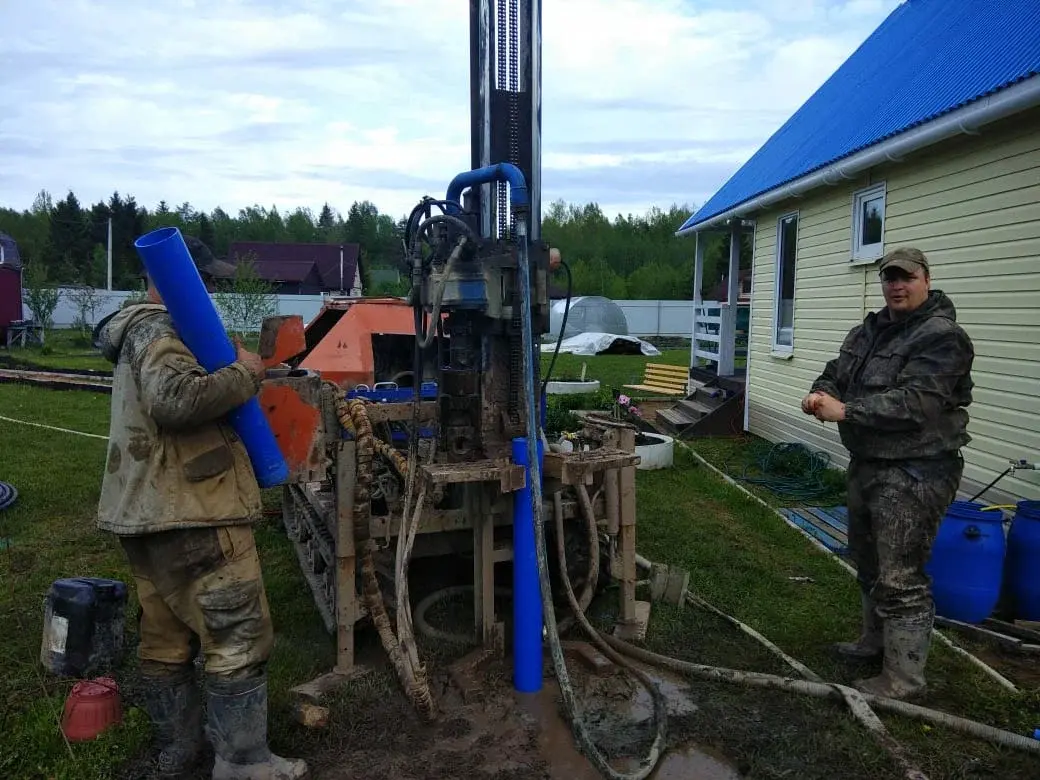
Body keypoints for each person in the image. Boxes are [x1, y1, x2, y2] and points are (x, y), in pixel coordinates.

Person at [96, 243, 307, 780]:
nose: (210, 291)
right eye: (204, 280)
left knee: (165, 637)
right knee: (235, 633)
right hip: (196, 511)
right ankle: (242, 762)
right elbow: (174, 400)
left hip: (144, 513)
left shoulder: (134, 330)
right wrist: (245, 373)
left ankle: (179, 751)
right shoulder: (160, 330)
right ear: (171, 278)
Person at [801, 247, 974, 700]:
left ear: (926, 280)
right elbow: (834, 373)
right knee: (868, 562)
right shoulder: (869, 331)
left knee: (901, 574)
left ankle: (902, 680)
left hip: (917, 470)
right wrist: (820, 394)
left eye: (906, 277)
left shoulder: (942, 337)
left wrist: (846, 410)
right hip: (868, 463)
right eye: (889, 278)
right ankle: (873, 643)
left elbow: (919, 403)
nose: (896, 285)